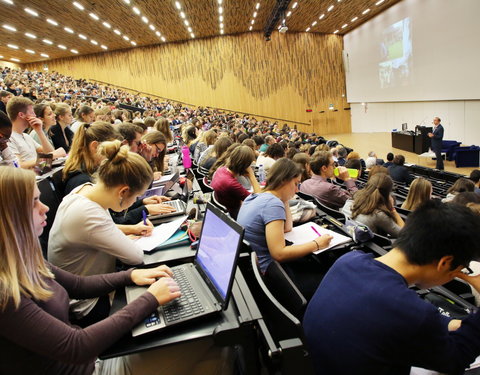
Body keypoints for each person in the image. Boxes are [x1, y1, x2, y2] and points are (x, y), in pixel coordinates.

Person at [0, 166, 180, 375]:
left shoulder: (23, 257)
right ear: (8, 216)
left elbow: (78, 285)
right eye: (33, 202)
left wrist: (130, 275)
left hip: (91, 359)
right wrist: (150, 299)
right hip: (91, 366)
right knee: (210, 352)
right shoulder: (5, 294)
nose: (45, 208)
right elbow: (76, 346)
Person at [303, 200, 480, 375]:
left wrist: (449, 323)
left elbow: (397, 318)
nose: (457, 275)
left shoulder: (348, 261)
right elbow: (456, 360)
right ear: (445, 262)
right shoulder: (415, 313)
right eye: (460, 270)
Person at [48, 140, 157, 325]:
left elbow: (102, 229)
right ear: (123, 192)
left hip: (91, 288)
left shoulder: (85, 191)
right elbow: (135, 256)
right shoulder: (89, 214)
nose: (135, 202)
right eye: (136, 197)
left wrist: (131, 230)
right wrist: (130, 236)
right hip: (89, 305)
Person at [237, 158, 333, 299]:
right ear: (283, 180)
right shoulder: (273, 205)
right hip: (272, 273)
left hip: (257, 269)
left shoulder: (257, 196)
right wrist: (317, 244)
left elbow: (287, 228)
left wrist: (285, 197)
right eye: (295, 184)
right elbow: (279, 253)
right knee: (327, 277)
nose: (297, 189)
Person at [6, 96, 62, 169]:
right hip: (29, 178)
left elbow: (50, 153)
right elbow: (18, 166)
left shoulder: (26, 136)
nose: (35, 115)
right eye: (32, 112)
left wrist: (39, 131)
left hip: (40, 175)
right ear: (21, 115)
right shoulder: (9, 138)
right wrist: (50, 156)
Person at [210, 145, 261, 218]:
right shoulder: (231, 183)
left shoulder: (221, 170)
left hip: (226, 210)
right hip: (235, 216)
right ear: (246, 165)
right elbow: (258, 199)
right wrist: (251, 174)